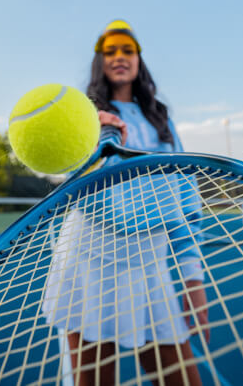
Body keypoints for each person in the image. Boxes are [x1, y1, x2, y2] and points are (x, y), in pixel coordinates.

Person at [43, 20, 209, 385]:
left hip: (148, 261)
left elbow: (185, 201)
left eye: (127, 50)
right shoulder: (82, 115)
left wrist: (193, 279)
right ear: (99, 61)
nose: (119, 56)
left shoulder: (161, 120)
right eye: (110, 51)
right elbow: (65, 177)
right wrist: (89, 138)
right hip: (90, 258)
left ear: (139, 60)